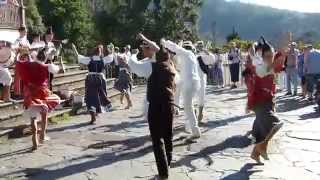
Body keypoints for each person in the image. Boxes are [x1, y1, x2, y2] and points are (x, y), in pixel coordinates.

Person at [243, 37, 284, 164]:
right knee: (275, 124)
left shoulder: (266, 65)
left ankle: (256, 153)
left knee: (262, 130)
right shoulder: (259, 67)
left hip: (268, 100)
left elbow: (275, 66)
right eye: (268, 55)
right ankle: (261, 147)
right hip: (259, 102)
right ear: (261, 56)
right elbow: (266, 69)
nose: (271, 57)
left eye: (272, 55)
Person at [15, 48, 60, 150]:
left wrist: (18, 53)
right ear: (45, 58)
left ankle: (34, 141)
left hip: (30, 93)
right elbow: (57, 70)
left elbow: (17, 62)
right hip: (42, 93)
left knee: (33, 118)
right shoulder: (46, 66)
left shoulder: (27, 64)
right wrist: (52, 61)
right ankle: (42, 136)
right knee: (44, 114)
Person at [162, 39, 202, 139]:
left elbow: (175, 48)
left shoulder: (186, 53)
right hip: (194, 83)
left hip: (189, 83)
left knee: (188, 107)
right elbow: (178, 63)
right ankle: (192, 128)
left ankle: (195, 130)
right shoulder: (191, 56)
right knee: (189, 106)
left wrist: (165, 42)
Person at [72, 43, 113, 124]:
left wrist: (74, 48)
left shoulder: (89, 59)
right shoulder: (103, 59)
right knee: (101, 96)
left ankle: (93, 115)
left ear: (93, 52)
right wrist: (112, 49)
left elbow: (78, 56)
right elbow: (111, 57)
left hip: (90, 79)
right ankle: (99, 109)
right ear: (100, 53)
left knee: (90, 97)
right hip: (100, 79)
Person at [128, 34, 159, 121]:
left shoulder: (154, 61)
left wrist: (134, 55)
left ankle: (150, 117)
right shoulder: (150, 59)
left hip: (157, 86)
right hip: (153, 85)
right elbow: (136, 64)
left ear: (150, 50)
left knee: (151, 101)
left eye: (143, 49)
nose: (143, 52)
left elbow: (135, 65)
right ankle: (146, 114)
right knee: (147, 99)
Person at [196, 41, 215, 122]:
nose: (200, 47)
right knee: (193, 98)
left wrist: (206, 51)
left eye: (201, 45)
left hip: (201, 79)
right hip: (193, 79)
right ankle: (195, 113)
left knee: (201, 96)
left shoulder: (204, 56)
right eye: (198, 45)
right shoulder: (192, 55)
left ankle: (200, 112)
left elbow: (212, 59)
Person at [12, 26, 30, 99]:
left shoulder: (26, 40)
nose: (25, 32)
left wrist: (27, 49)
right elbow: (13, 47)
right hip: (19, 58)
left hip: (26, 58)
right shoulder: (17, 40)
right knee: (18, 76)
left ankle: (24, 92)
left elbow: (29, 48)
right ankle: (17, 93)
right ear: (21, 31)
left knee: (25, 75)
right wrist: (20, 48)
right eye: (24, 31)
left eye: (26, 31)